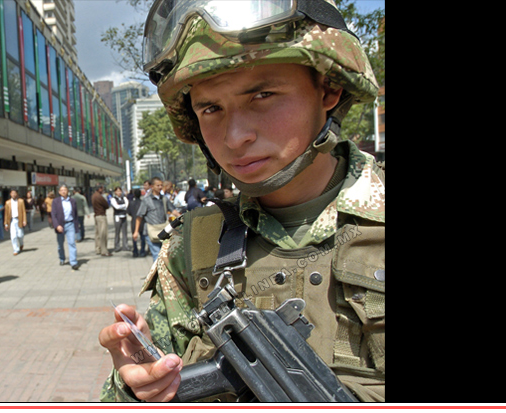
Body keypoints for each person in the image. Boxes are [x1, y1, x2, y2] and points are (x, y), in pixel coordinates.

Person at [99, 0, 384, 402]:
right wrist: (137, 386)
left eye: (263, 95)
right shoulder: (195, 244)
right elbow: (145, 385)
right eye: (211, 108)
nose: (235, 137)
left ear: (329, 88)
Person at [132, 177, 179, 262]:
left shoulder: (164, 199)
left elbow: (173, 210)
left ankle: (164, 274)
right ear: (152, 186)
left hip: (163, 231)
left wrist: (181, 217)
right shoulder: (146, 200)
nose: (160, 187)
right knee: (157, 256)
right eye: (158, 185)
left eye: (161, 185)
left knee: (166, 255)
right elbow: (139, 217)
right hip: (151, 231)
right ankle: (158, 274)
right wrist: (136, 231)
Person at [51, 184, 80, 270]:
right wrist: (57, 225)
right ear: (59, 192)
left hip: (70, 224)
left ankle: (73, 262)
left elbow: (75, 214)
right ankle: (62, 258)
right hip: (60, 225)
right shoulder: (55, 201)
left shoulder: (72, 201)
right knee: (60, 244)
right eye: (62, 190)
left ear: (68, 191)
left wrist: (76, 225)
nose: (63, 191)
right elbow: (53, 215)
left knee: (72, 243)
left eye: (65, 190)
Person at [4, 189, 27, 255]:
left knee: (20, 235)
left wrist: (24, 220)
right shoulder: (7, 202)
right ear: (10, 194)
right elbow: (6, 214)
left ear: (17, 194)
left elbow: (23, 211)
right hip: (12, 221)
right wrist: (6, 223)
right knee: (13, 236)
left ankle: (21, 243)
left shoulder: (21, 201)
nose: (13, 194)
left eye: (15, 193)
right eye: (12, 193)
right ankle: (15, 249)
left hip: (19, 219)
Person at [91, 185, 111, 257]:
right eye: (102, 189)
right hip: (101, 215)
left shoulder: (93, 196)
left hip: (96, 215)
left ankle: (98, 248)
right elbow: (107, 205)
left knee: (97, 234)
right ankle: (104, 250)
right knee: (103, 234)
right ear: (100, 189)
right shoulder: (100, 197)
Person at [127, 189, 147, 258]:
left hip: (134, 221)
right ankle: (142, 251)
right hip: (142, 221)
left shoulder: (131, 203)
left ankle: (135, 251)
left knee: (134, 237)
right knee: (142, 237)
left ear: (134, 195)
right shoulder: (143, 202)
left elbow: (128, 212)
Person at [110, 187, 130, 253]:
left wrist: (122, 205)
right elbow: (116, 207)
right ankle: (117, 246)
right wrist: (123, 206)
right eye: (117, 191)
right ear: (115, 192)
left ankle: (125, 245)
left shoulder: (124, 198)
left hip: (124, 216)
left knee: (125, 232)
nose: (119, 192)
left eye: (120, 191)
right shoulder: (113, 199)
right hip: (117, 217)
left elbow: (127, 205)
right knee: (117, 232)